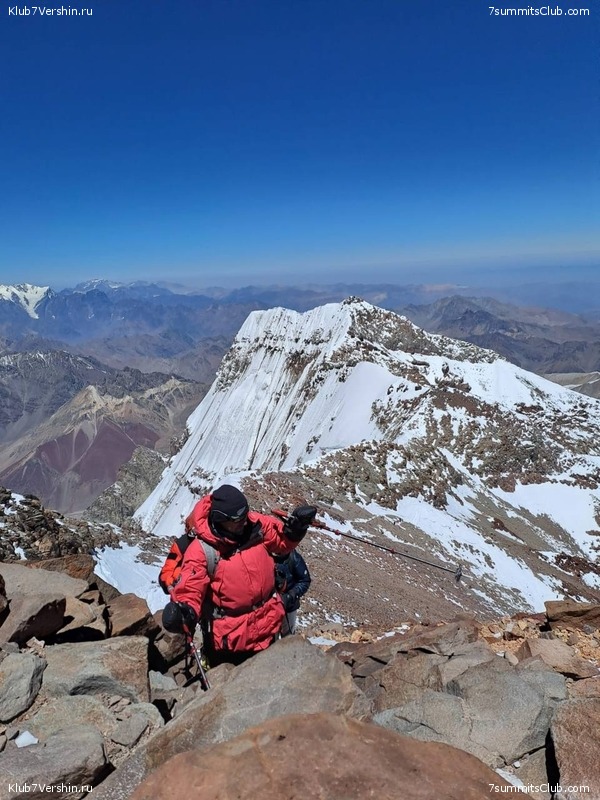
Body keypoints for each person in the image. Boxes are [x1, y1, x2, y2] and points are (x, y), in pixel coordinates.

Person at [163, 484, 316, 667]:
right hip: (232, 641)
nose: (244, 522)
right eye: (237, 520)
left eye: (245, 516)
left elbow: (281, 542)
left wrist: (295, 530)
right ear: (220, 519)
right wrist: (186, 611)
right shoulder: (202, 550)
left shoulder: (254, 524)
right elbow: (191, 587)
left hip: (268, 626)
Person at [274, 549, 311, 636]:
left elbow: (305, 580)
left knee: (288, 636)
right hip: (269, 605)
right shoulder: (264, 554)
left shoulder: (294, 558)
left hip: (288, 605)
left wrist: (291, 595)